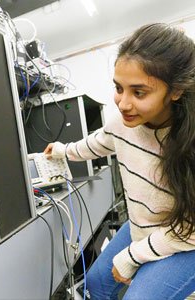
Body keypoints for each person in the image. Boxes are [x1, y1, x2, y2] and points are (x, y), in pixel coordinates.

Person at [44, 23, 195, 300]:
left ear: (175, 91)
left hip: (186, 239)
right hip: (144, 225)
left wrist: (133, 256)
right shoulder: (123, 125)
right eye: (118, 88)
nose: (123, 103)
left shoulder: (189, 142)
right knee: (95, 286)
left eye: (139, 92)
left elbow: (190, 230)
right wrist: (61, 151)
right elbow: (94, 144)